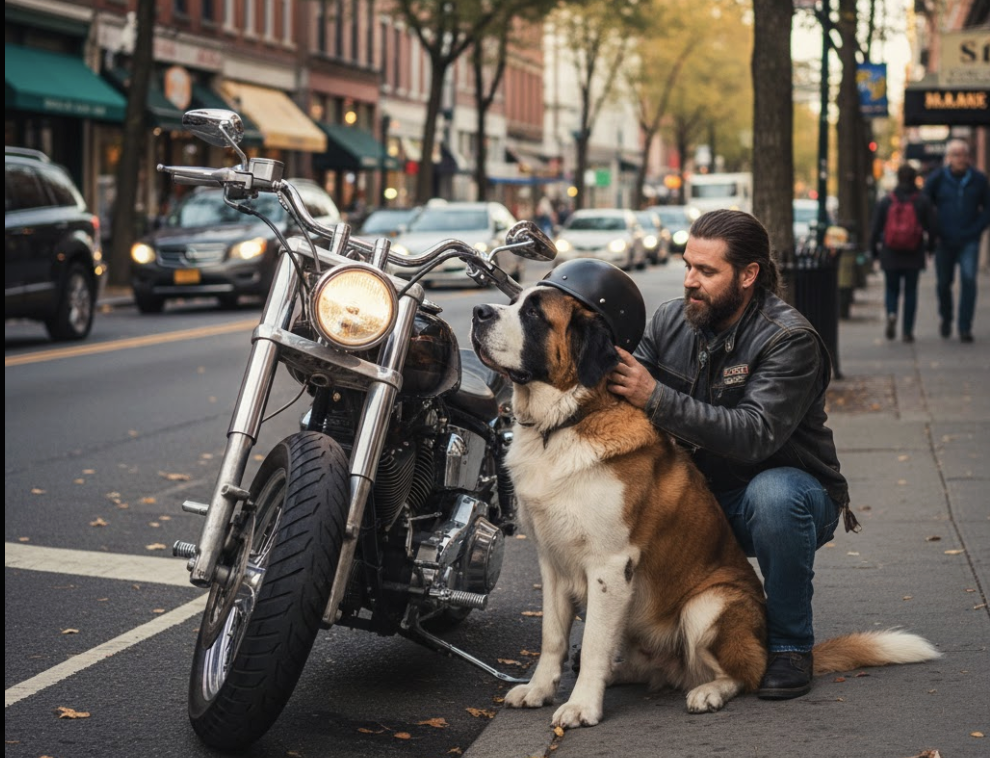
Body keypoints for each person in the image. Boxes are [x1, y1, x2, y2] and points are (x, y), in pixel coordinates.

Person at [607, 209, 859, 700]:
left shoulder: (789, 339)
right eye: (687, 266)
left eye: (706, 271)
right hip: (699, 501)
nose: (689, 282)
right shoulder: (668, 321)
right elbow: (622, 401)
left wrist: (655, 396)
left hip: (782, 498)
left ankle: (789, 647)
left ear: (748, 275)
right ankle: (633, 642)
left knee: (775, 496)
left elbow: (754, 435)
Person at [922, 138, 990, 343]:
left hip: (969, 239)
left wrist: (977, 229)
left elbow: (987, 208)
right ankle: (946, 317)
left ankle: (964, 327)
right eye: (955, 155)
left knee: (969, 281)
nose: (960, 159)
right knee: (944, 283)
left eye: (963, 154)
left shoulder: (979, 179)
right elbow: (924, 205)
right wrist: (934, 229)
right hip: (944, 240)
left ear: (968, 157)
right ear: (948, 158)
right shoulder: (937, 179)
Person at [869, 164, 936, 343]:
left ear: (898, 178)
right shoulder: (922, 200)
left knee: (891, 289)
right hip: (914, 253)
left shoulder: (886, 201)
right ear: (914, 179)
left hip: (890, 253)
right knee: (911, 292)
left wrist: (874, 251)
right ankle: (907, 331)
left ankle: (891, 313)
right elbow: (932, 228)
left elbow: (875, 229)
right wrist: (930, 249)